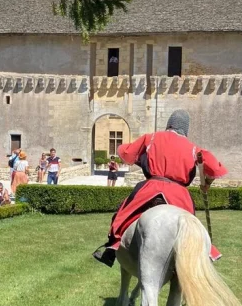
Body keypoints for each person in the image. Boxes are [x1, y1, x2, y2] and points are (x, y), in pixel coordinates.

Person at [92, 110, 228, 268]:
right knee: (191, 225)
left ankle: (113, 247)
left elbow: (127, 153)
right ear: (186, 128)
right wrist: (207, 184)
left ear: (169, 123)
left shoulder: (151, 138)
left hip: (151, 187)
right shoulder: (193, 148)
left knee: (123, 213)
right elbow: (214, 168)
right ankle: (207, 253)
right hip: (179, 194)